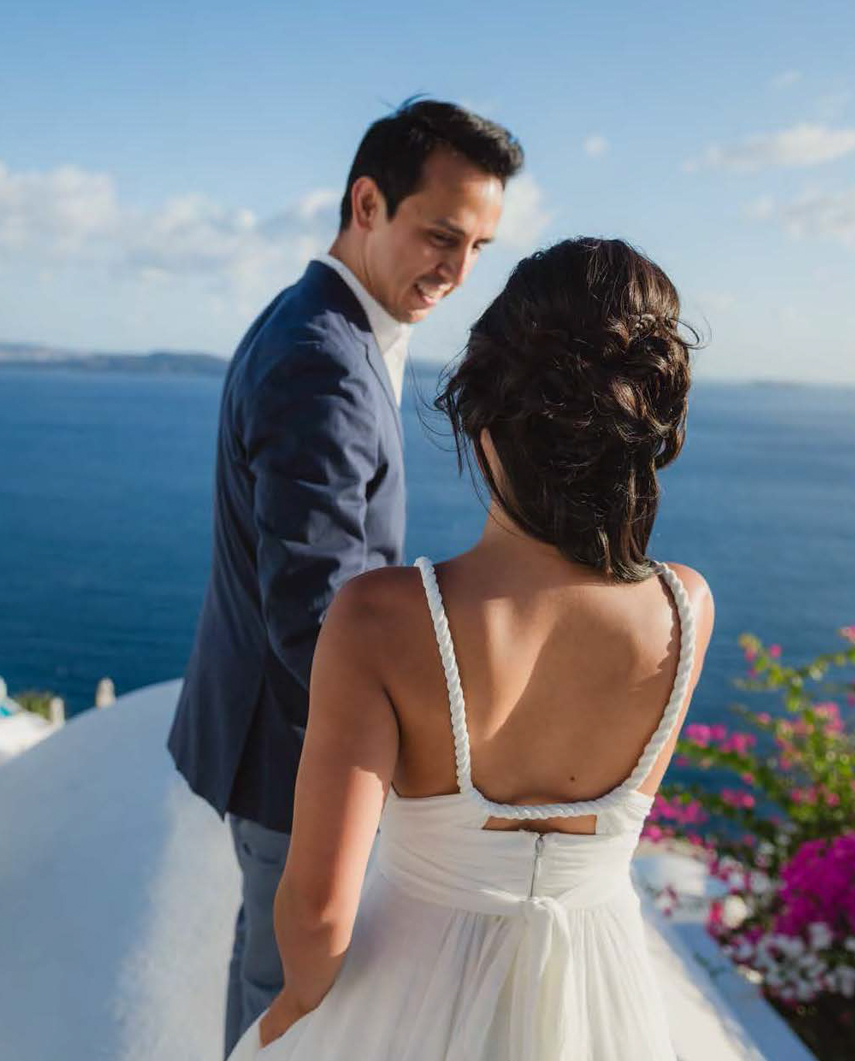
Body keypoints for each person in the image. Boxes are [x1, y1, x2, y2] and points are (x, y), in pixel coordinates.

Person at [226, 237, 717, 1060]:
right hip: (599, 1006)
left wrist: (292, 1016)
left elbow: (315, 912)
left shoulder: (382, 618)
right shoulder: (688, 606)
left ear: (483, 421)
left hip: (406, 1002)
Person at [164, 99, 525, 1056]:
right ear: (368, 202)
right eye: (441, 235)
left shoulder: (322, 322)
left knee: (268, 970)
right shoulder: (323, 363)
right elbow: (315, 616)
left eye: (480, 245)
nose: (458, 271)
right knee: (291, 1004)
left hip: (273, 737)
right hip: (296, 752)